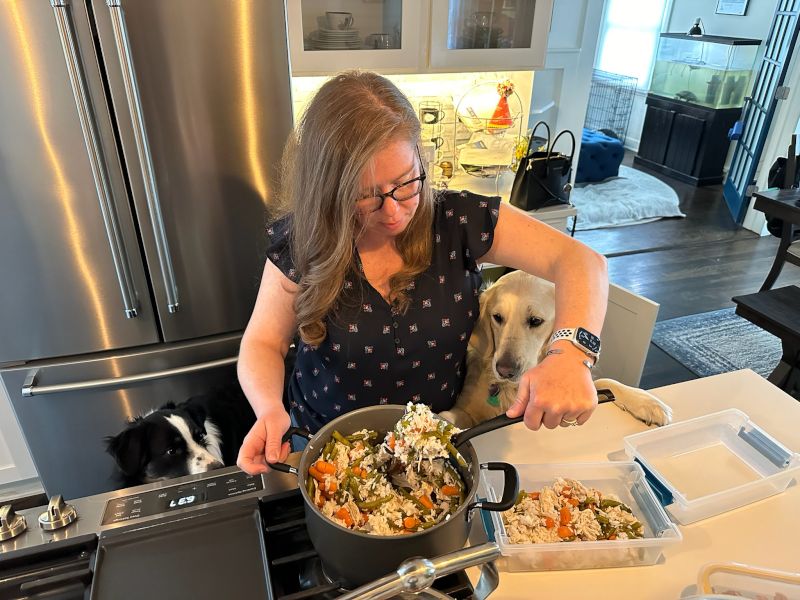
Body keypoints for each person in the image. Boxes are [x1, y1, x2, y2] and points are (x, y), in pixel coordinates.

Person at [237, 71, 608, 475]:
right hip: (325, 453)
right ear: (328, 189)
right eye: (366, 195)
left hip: (434, 449)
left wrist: (571, 355)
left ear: (420, 157)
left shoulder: (459, 219)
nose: (394, 211)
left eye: (406, 183)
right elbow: (262, 343)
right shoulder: (302, 238)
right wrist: (269, 409)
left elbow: (581, 261)